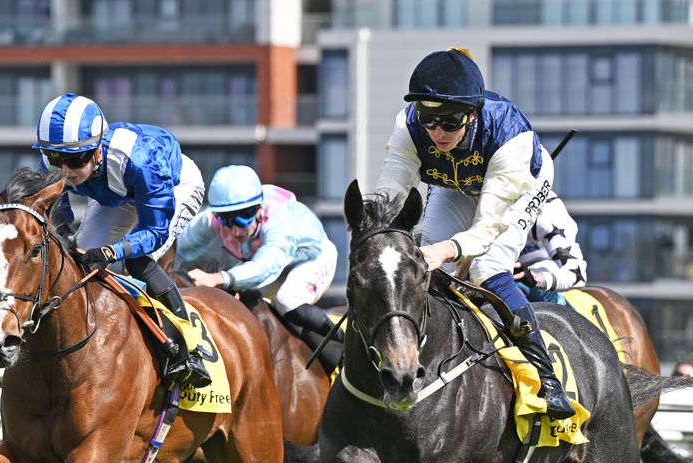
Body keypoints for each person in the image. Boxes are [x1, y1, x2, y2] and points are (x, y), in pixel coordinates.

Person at [373, 48, 572, 419]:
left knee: (486, 267)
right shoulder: (408, 126)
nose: (437, 133)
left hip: (519, 184)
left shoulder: (510, 137)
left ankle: (548, 378)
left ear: (473, 113)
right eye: (428, 120)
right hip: (457, 182)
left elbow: (485, 231)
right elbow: (389, 194)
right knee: (424, 267)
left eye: (449, 122)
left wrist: (444, 251)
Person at [32, 92, 210, 387]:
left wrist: (113, 251)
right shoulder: (56, 162)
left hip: (171, 186)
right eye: (55, 159)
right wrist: (67, 241)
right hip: (116, 192)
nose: (64, 170)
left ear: (97, 150)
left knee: (137, 260)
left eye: (74, 160)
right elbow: (58, 215)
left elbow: (155, 231)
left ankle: (189, 350)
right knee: (80, 260)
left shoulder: (143, 162)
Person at [178, 165, 342, 371]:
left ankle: (343, 347)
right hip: (264, 264)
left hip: (311, 259)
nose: (235, 231)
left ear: (259, 209)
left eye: (242, 219)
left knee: (288, 300)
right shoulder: (212, 220)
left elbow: (265, 267)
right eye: (226, 220)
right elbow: (179, 246)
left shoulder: (280, 220)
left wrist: (218, 277)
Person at [512, 192, 587, 304]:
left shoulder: (547, 216)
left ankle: (562, 308)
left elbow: (577, 276)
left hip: (542, 272)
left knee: (519, 285)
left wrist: (537, 279)